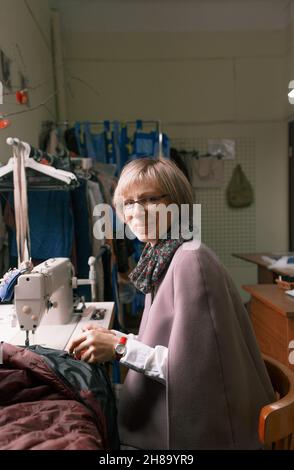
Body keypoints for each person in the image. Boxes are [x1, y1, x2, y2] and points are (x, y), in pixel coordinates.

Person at [69, 157, 275, 450]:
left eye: (150, 199)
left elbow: (195, 372)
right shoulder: (163, 255)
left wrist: (119, 348)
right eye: (127, 203)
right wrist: (116, 338)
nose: (135, 212)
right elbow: (173, 344)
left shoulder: (190, 261)